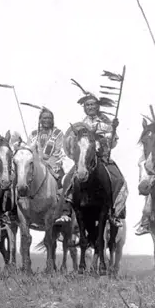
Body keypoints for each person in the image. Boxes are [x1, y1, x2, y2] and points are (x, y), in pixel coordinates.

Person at [55, 91, 128, 228]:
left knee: (119, 180)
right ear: (84, 107)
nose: (90, 107)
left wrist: (113, 130)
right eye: (88, 105)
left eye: (93, 104)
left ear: (98, 106)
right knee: (67, 178)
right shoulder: (81, 125)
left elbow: (113, 144)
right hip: (85, 159)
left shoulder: (107, 122)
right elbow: (72, 142)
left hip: (103, 158)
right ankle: (66, 212)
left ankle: (116, 214)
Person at [27, 107, 65, 189]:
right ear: (40, 120)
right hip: (36, 165)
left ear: (53, 120)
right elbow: (29, 151)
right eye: (44, 118)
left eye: (49, 118)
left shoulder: (58, 133)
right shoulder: (33, 134)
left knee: (62, 183)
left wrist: (45, 162)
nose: (47, 120)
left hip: (53, 165)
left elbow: (58, 151)